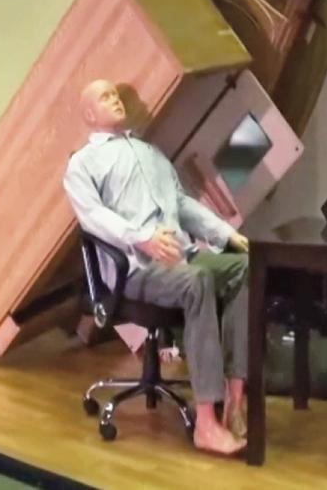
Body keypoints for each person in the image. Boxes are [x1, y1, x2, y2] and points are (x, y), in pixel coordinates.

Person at [63, 79, 249, 455]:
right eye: (105, 97)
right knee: (198, 281)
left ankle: (235, 395)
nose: (115, 99)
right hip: (135, 271)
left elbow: (182, 204)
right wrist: (142, 238)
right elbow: (94, 218)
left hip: (182, 258)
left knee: (245, 266)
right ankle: (206, 424)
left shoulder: (150, 153)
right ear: (89, 114)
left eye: (116, 94)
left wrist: (227, 235)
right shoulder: (82, 164)